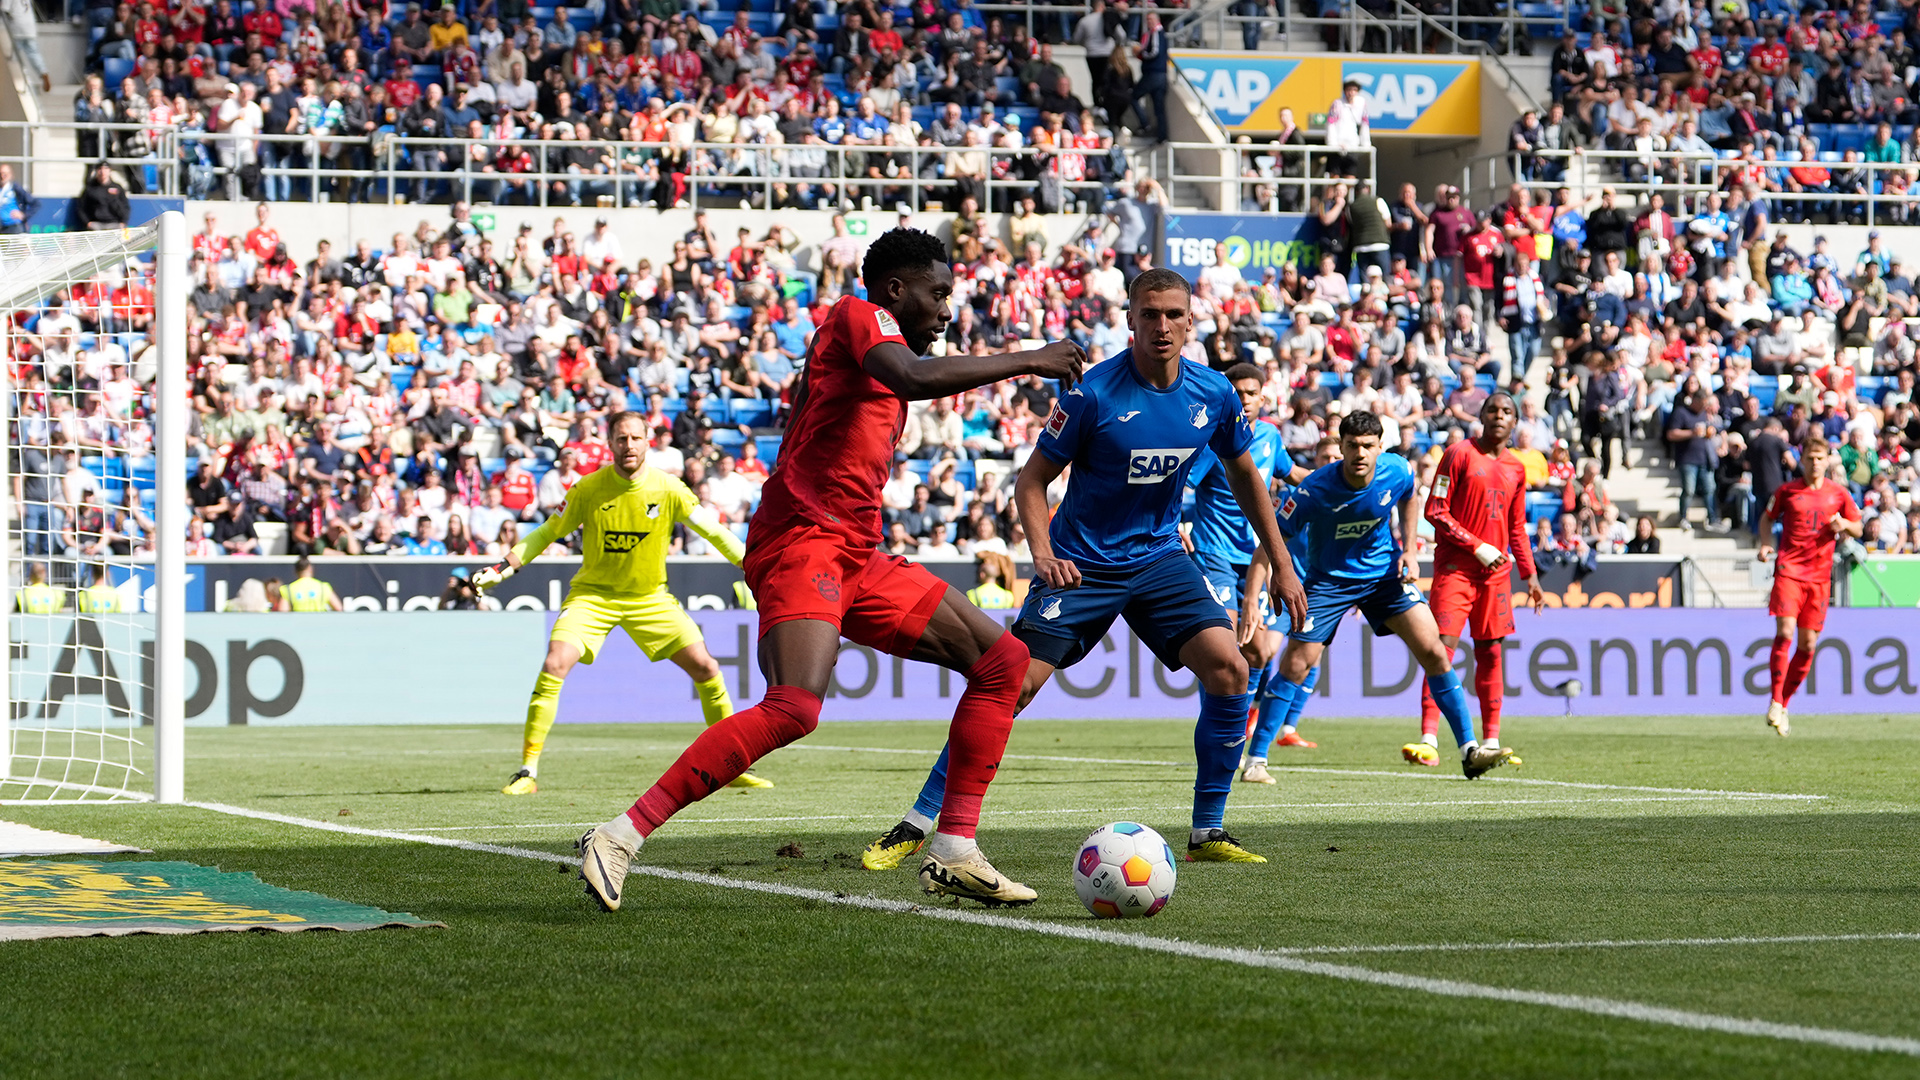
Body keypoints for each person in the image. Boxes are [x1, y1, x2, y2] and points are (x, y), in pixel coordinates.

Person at [571, 229, 1086, 912]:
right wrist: (1031, 359)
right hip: (802, 542)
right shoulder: (857, 315)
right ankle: (619, 834)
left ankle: (955, 848)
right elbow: (911, 375)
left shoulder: (884, 348)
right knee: (795, 707)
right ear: (896, 291)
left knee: (1003, 663)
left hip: (857, 551)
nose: (944, 310)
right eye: (936, 295)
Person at [863, 268, 1307, 870]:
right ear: (1129, 318)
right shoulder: (1091, 393)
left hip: (1158, 558)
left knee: (1230, 667)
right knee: (1011, 683)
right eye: (1150, 314)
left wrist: (1281, 560)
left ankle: (1209, 829)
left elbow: (1245, 473)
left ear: (1191, 321)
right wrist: (1043, 554)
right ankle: (918, 822)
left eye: (1174, 315)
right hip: (1081, 564)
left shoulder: (1214, 394)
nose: (1162, 326)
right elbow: (1032, 481)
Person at [476, 411, 773, 795]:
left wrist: (753, 563)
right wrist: (505, 566)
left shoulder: (669, 489)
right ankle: (527, 771)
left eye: (635, 438)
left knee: (706, 666)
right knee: (555, 661)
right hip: (593, 596)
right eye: (621, 439)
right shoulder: (588, 488)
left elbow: (714, 531)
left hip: (651, 598)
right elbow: (548, 532)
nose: (628, 445)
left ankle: (731, 766)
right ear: (610, 443)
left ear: (647, 440)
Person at [1258, 411, 1508, 779]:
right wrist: (1275, 576)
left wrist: (1409, 548)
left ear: (1380, 447)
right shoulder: (1313, 489)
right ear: (1341, 447)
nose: (1361, 453)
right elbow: (1273, 534)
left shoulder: (1398, 470)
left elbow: (1409, 497)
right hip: (1328, 582)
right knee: (1296, 664)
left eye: (1368, 446)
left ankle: (1470, 750)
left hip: (1384, 578)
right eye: (1353, 446)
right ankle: (1256, 759)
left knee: (1435, 650)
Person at [1189, 362, 1311, 781]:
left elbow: (1293, 475)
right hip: (1214, 552)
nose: (1244, 398)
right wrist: (1179, 527)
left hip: (1256, 554)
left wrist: (1335, 481)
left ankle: (1240, 729)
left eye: (1251, 392)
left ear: (1263, 397)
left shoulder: (1271, 436)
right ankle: (1218, 738)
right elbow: (1184, 486)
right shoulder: (1212, 440)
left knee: (1259, 651)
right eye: (1237, 391)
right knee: (1223, 643)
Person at [1410, 394, 1545, 768]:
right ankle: (1428, 739)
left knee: (1491, 654)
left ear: (1515, 421)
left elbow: (1516, 527)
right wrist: (1477, 546)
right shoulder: (1458, 454)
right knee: (1440, 651)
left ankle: (1491, 741)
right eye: (1493, 410)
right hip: (1456, 570)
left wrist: (1530, 576)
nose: (1499, 416)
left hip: (1496, 576)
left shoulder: (1517, 468)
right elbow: (1435, 510)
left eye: (1507, 412)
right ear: (1481, 416)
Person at [1755, 436, 1861, 737]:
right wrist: (1765, 545)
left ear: (1827, 460)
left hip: (1819, 576)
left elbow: (1858, 526)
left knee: (1808, 645)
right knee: (1785, 632)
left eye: (1820, 458)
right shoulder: (1787, 491)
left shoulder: (1838, 494)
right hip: (1789, 570)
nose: (1815, 463)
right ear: (1802, 461)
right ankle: (1775, 699)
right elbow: (1767, 518)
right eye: (1810, 458)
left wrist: (1845, 527)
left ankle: (1783, 704)